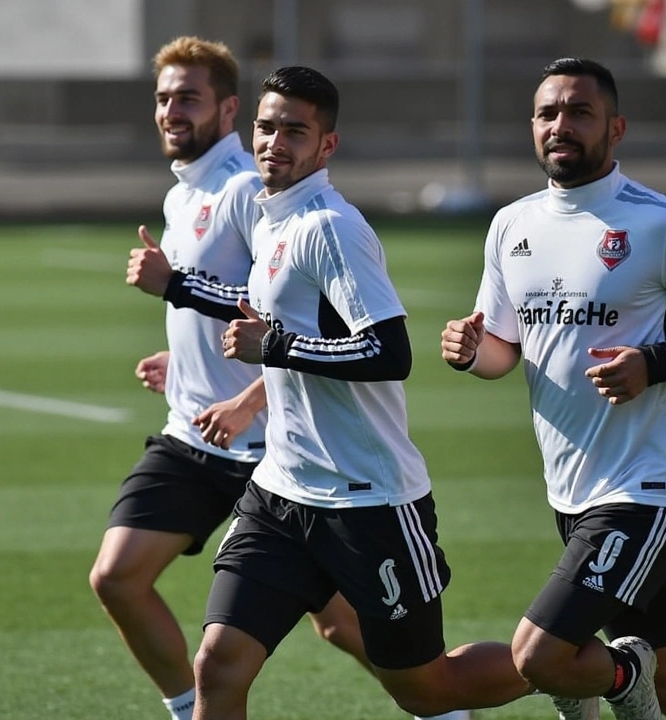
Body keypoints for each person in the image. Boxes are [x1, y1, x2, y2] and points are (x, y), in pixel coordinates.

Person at [148, 64, 531, 720]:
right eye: (266, 127)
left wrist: (272, 348)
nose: (274, 142)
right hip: (280, 491)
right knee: (218, 663)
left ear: (326, 145)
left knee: (426, 689)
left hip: (368, 499)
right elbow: (286, 337)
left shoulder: (331, 227)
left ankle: (584, 667)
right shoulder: (269, 220)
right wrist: (251, 395)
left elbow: (390, 352)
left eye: (295, 131)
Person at [440, 57, 666, 720]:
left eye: (579, 112)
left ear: (615, 128)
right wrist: (473, 352)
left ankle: (621, 677)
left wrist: (656, 361)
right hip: (572, 490)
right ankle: (638, 675)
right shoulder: (512, 225)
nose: (561, 124)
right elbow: (505, 350)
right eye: (548, 113)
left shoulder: (663, 223)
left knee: (540, 656)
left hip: (648, 491)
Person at [89, 37, 376, 720]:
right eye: (163, 98)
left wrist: (249, 397)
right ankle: (191, 709)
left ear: (227, 109)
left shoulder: (249, 188)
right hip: (191, 436)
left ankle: (443, 702)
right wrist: (182, 362)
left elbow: (292, 312)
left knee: (340, 624)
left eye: (187, 98)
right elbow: (230, 304)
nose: (170, 111)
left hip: (267, 447)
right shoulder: (183, 193)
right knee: (117, 577)